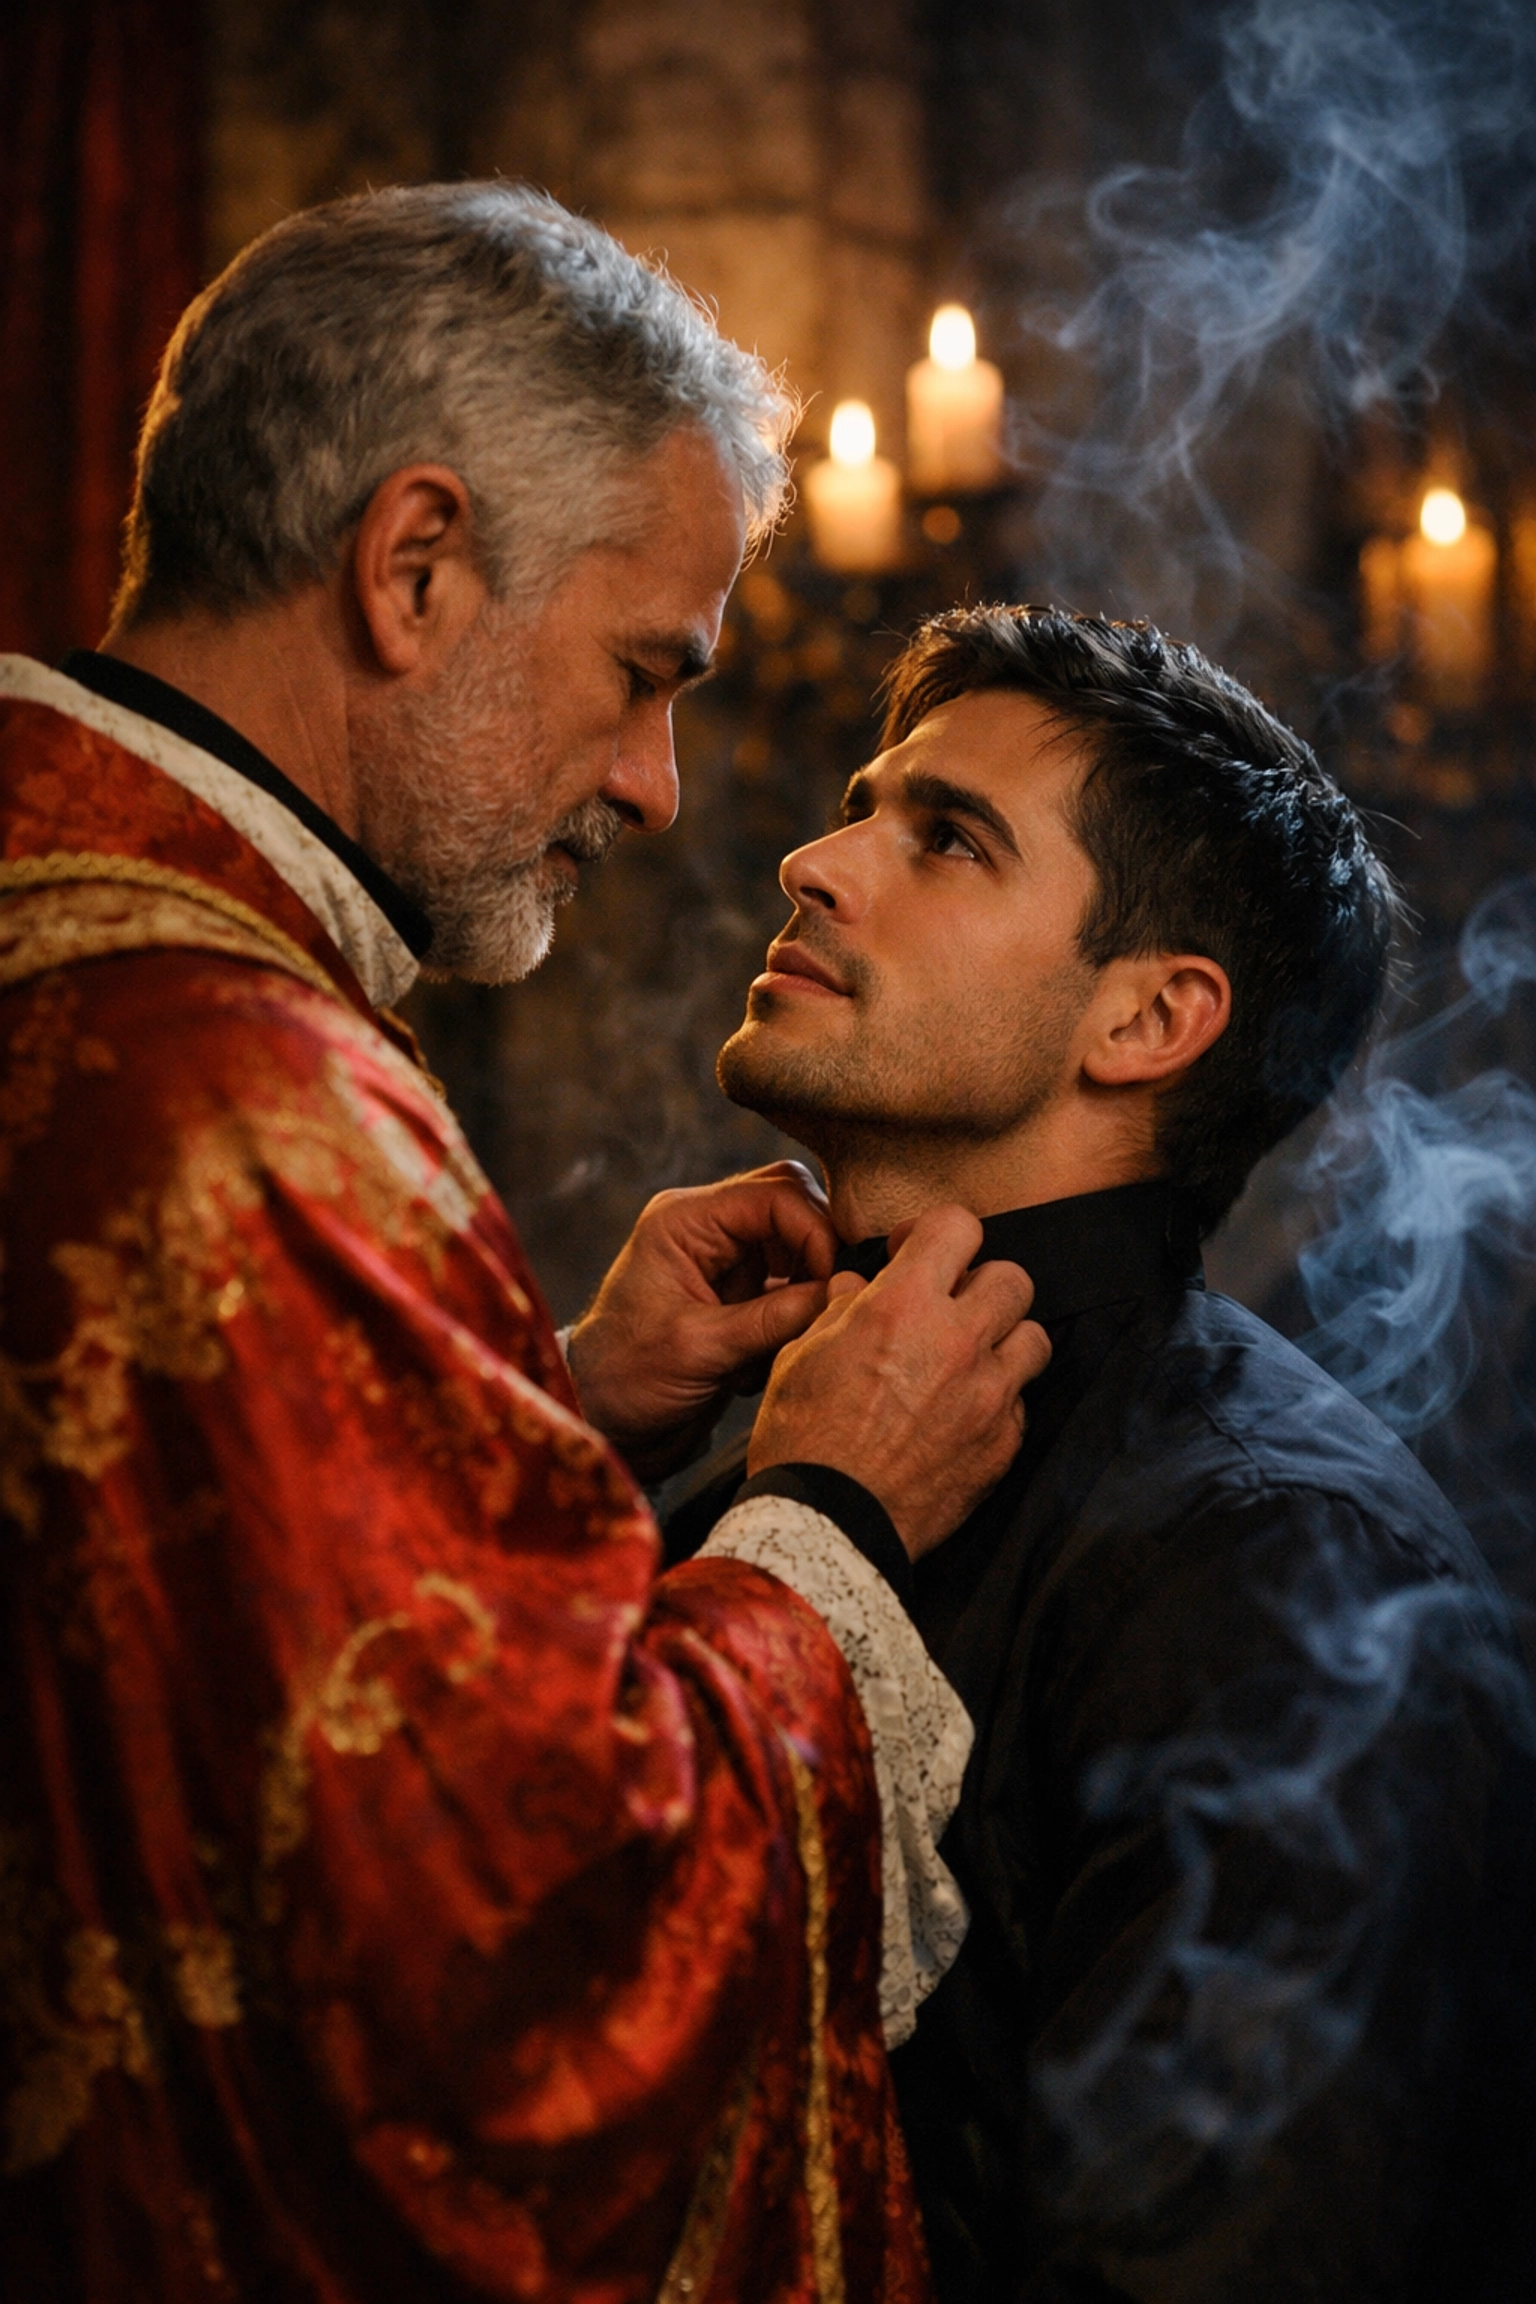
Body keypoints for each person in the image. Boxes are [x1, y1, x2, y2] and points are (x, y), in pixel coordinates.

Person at [0, 187, 1053, 2302]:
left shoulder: (84, 940)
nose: (666, 789)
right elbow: (518, 1985)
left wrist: (545, 1408)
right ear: (414, 569)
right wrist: (825, 1519)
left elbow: (159, 1626)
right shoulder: (252, 1094)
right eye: (642, 669)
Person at [677, 604, 1536, 2302]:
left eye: (947, 840)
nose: (816, 860)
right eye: (864, 802)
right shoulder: (766, 1440)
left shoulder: (1274, 1564)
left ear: (1149, 1020)